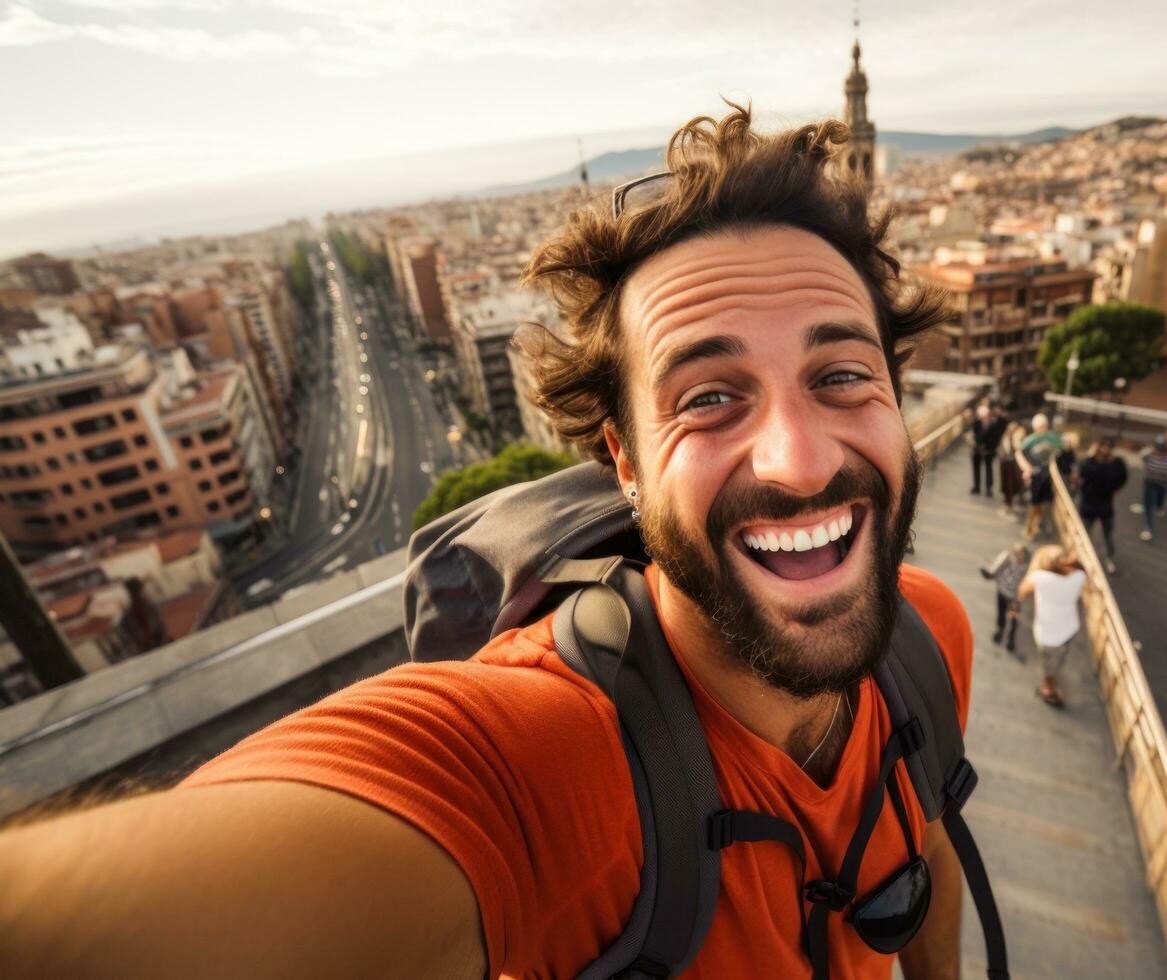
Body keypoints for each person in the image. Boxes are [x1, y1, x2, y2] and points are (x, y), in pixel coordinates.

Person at [0, 109, 991, 979]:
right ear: (625, 462)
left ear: (897, 405)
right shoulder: (555, 762)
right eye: (710, 397)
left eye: (844, 374)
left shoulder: (929, 635)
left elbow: (927, 845)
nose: (801, 459)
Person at [1016, 546, 1087, 708]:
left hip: (1047, 633)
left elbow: (1022, 590)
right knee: (1060, 658)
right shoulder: (1079, 577)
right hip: (1070, 628)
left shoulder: (1039, 577)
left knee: (1048, 666)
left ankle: (1048, 690)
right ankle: (1053, 678)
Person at [1076, 438, 1128, 573]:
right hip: (1094, 505)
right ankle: (1083, 558)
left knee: (1105, 534)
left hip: (1101, 505)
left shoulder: (1107, 465)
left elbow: (1081, 476)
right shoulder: (1112, 465)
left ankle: (1106, 558)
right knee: (1087, 534)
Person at [1016, 413, 1063, 540]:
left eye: (1045, 426)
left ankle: (1039, 525)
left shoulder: (1052, 438)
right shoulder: (1030, 440)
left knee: (1045, 502)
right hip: (1036, 474)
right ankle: (1030, 527)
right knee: (1034, 502)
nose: (1043, 428)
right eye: (1041, 426)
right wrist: (1026, 468)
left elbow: (1061, 448)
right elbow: (1019, 453)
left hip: (1048, 474)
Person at [979, 542, 1029, 653]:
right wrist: (990, 574)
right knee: (1001, 613)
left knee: (1013, 618)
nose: (1017, 555)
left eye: (1020, 553)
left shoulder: (1026, 567)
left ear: (1025, 555)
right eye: (1015, 552)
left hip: (1014, 598)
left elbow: (1028, 582)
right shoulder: (1008, 559)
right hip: (1002, 592)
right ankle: (1000, 630)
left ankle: (1011, 639)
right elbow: (996, 569)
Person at [1136, 435, 1167, 542]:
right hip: (1150, 482)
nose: (1160, 454)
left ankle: (1159, 507)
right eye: (1158, 450)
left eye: (1163, 451)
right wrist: (1149, 450)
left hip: (1164, 482)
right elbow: (1141, 455)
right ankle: (1148, 528)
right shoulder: (1148, 455)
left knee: (1160, 500)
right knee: (1149, 506)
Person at [968, 400, 1007, 496]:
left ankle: (989, 488)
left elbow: (995, 438)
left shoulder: (993, 425)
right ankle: (977, 487)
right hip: (977, 449)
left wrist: (986, 446)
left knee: (989, 468)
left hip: (989, 450)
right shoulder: (976, 423)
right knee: (976, 468)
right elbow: (973, 435)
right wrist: (977, 444)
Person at [997, 419, 1027, 518]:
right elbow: (1002, 451)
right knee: (1007, 485)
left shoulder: (1016, 439)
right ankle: (1007, 504)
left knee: (1013, 486)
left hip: (1013, 466)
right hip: (1006, 465)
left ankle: (1011, 505)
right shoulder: (1005, 439)